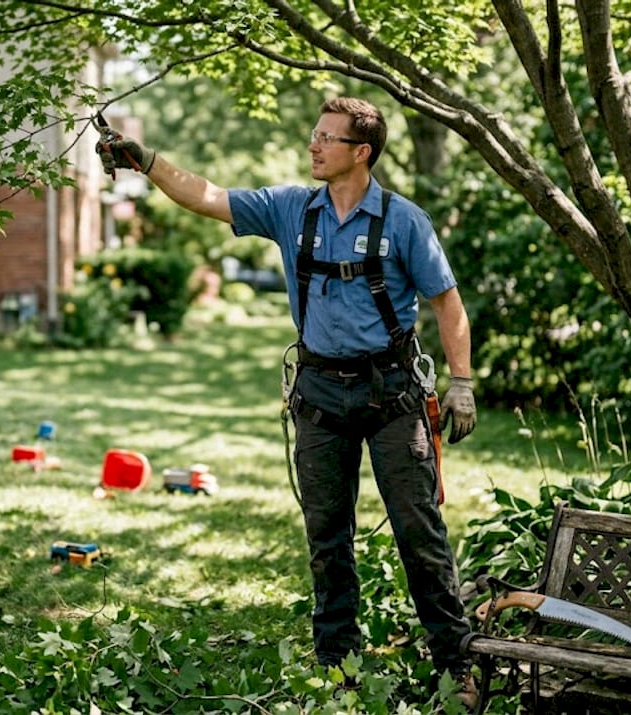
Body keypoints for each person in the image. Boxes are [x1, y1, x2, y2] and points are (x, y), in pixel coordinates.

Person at [97, 97, 478, 707]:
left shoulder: (404, 221)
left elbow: (447, 304)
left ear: (361, 152)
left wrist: (460, 384)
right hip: (320, 393)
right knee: (327, 535)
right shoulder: (290, 210)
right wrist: (145, 161)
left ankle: (456, 664)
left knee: (419, 531)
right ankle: (338, 667)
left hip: (393, 395)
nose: (313, 145)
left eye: (327, 138)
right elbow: (206, 196)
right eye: (314, 134)